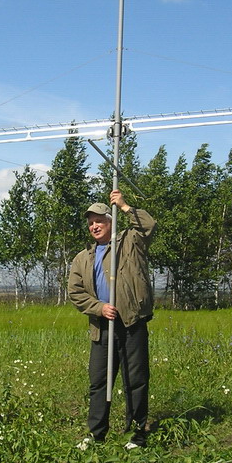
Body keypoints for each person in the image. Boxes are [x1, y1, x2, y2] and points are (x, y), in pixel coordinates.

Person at [68, 189, 156, 448]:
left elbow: (149, 225)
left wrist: (125, 206)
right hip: (102, 326)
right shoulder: (83, 258)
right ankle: (97, 434)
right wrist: (98, 308)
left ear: (111, 222)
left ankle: (137, 434)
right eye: (91, 222)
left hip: (131, 322)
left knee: (135, 380)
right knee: (98, 382)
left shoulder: (130, 242)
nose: (95, 226)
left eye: (100, 220)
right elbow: (75, 292)